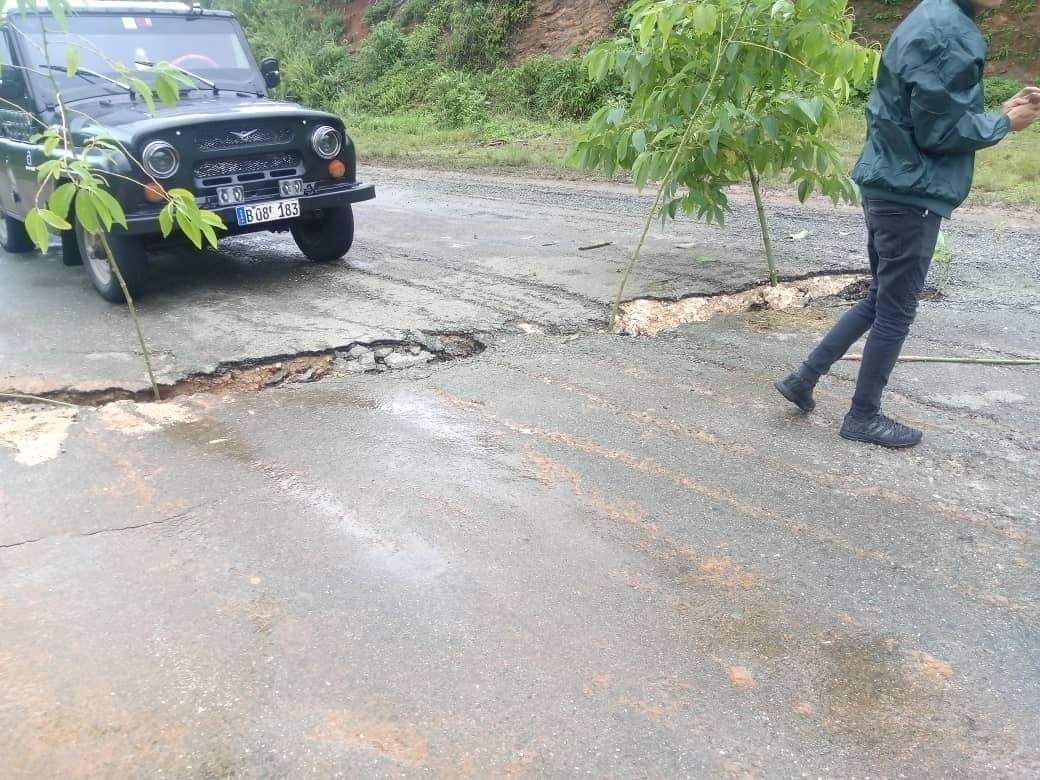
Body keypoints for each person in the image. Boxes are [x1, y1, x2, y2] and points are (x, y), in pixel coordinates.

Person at [774, 0, 1040, 448]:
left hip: (890, 182)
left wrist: (999, 111)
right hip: (910, 193)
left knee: (881, 297)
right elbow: (939, 132)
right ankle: (862, 416)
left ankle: (803, 378)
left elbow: (931, 110)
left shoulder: (932, 16)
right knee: (896, 310)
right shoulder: (950, 32)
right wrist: (1002, 123)